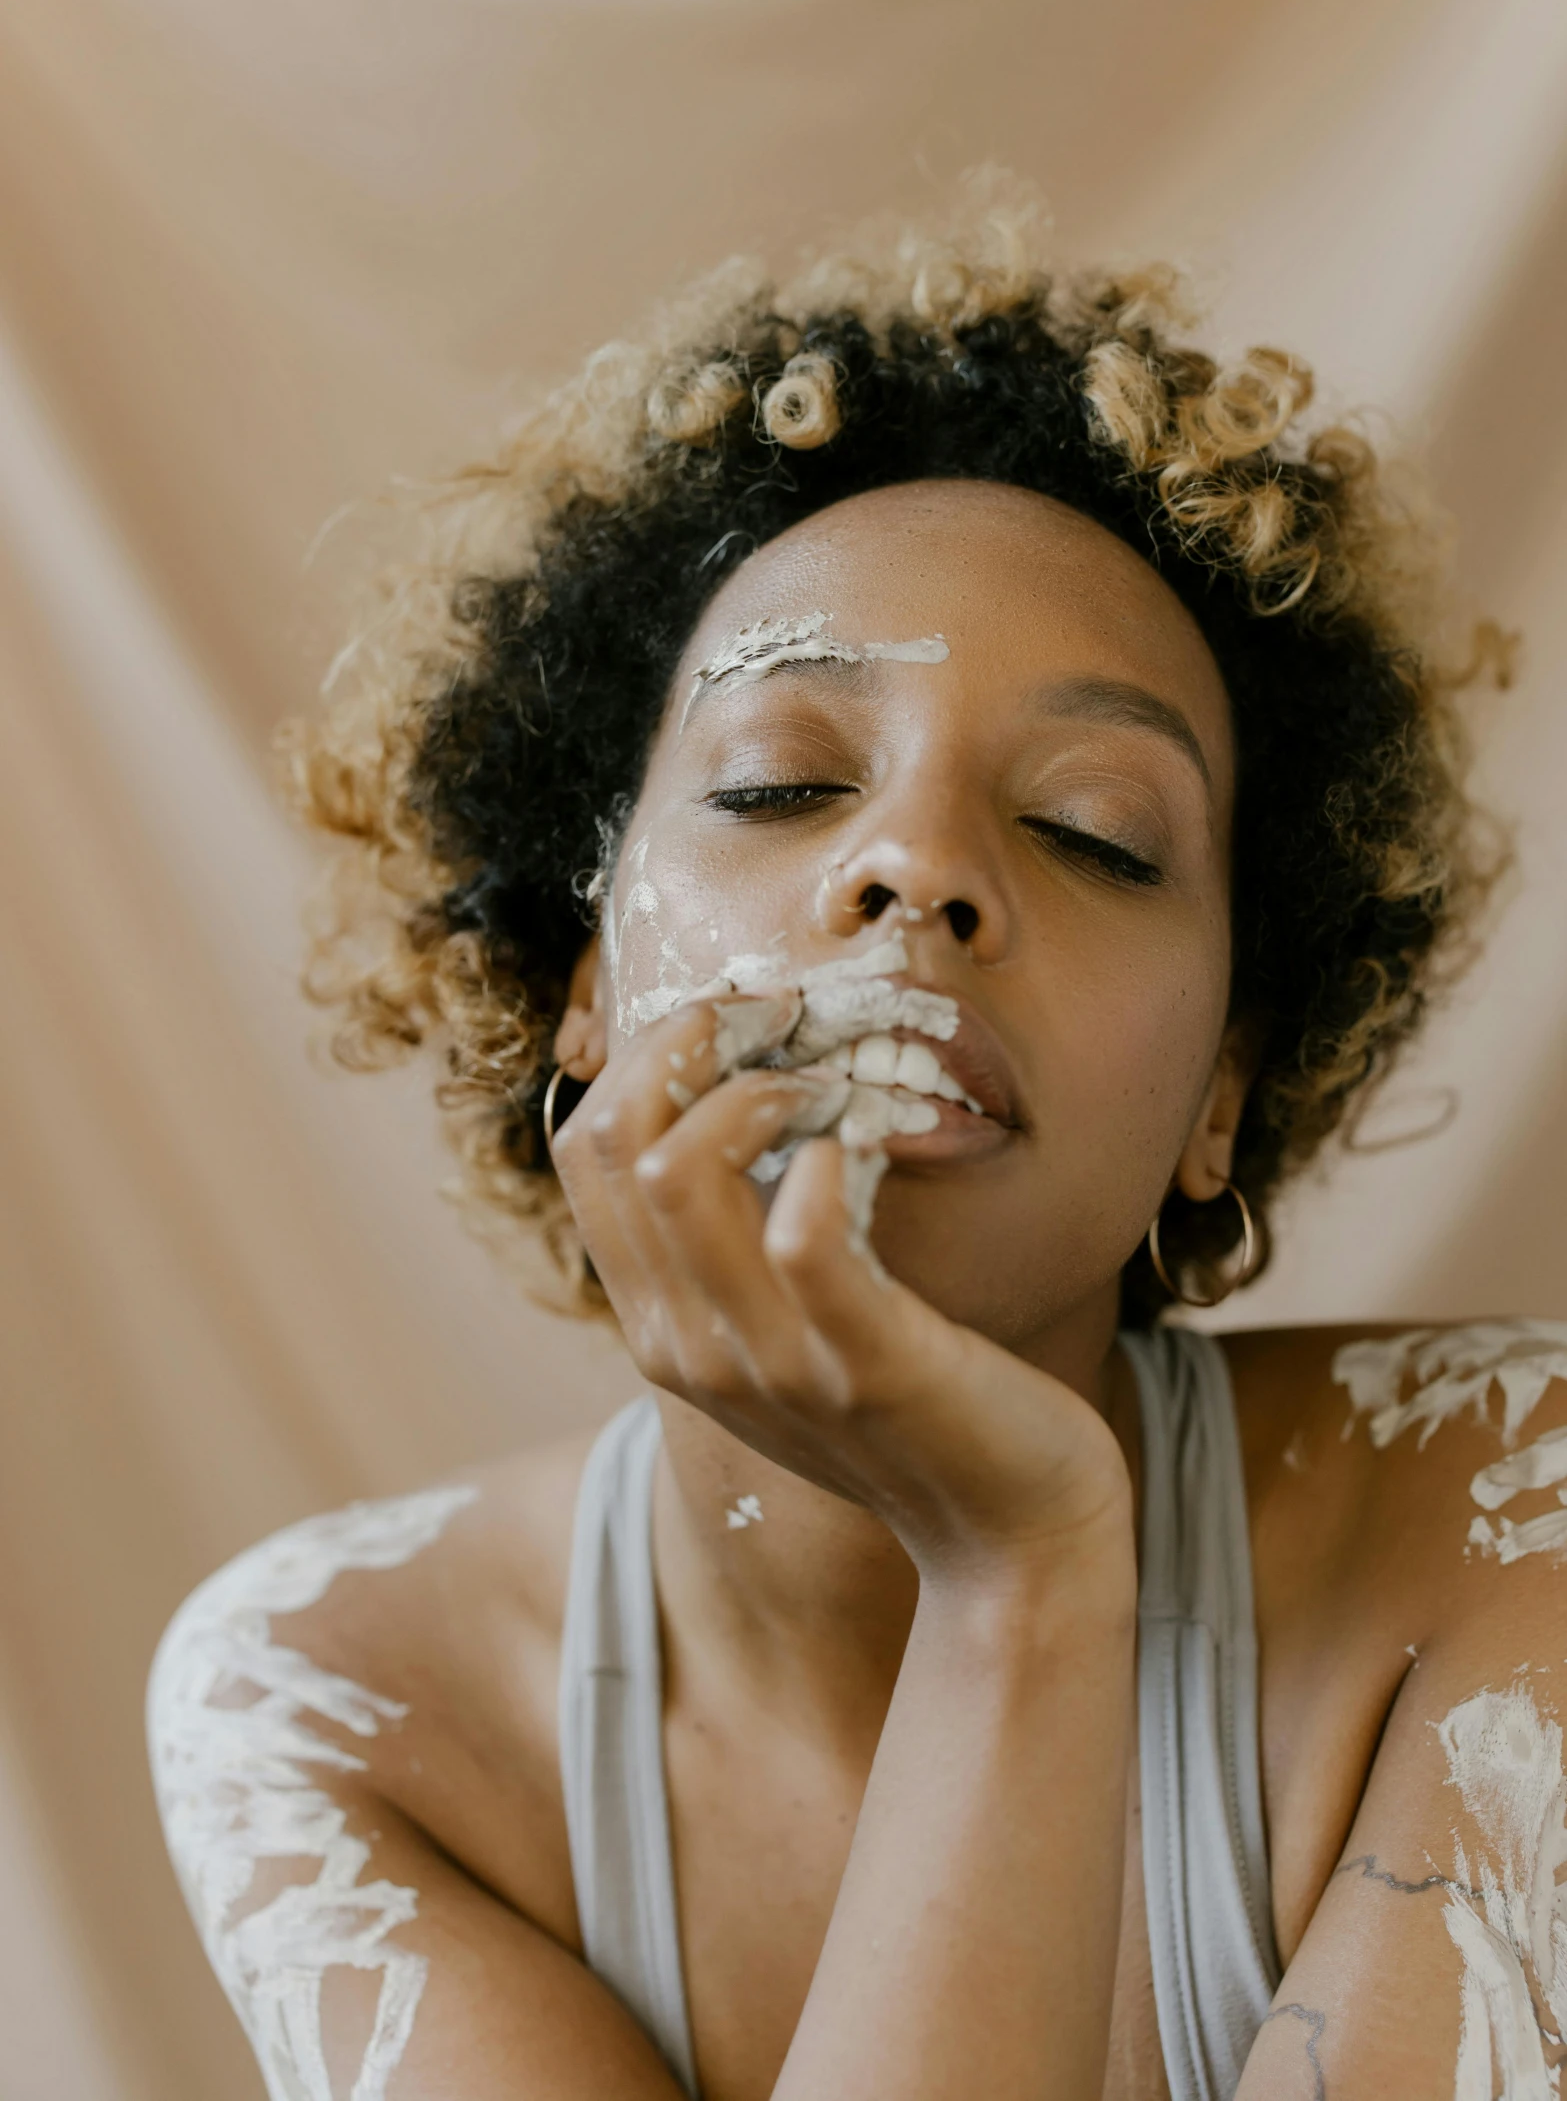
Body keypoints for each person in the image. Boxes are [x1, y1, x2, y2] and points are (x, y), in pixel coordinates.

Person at [148, 198, 1561, 2101]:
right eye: (778, 786)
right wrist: (1016, 1573)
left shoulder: (1519, 1525)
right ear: (581, 992)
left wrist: (1026, 1566)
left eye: (1094, 830)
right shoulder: (328, 1700)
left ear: (1221, 1091)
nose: (914, 871)